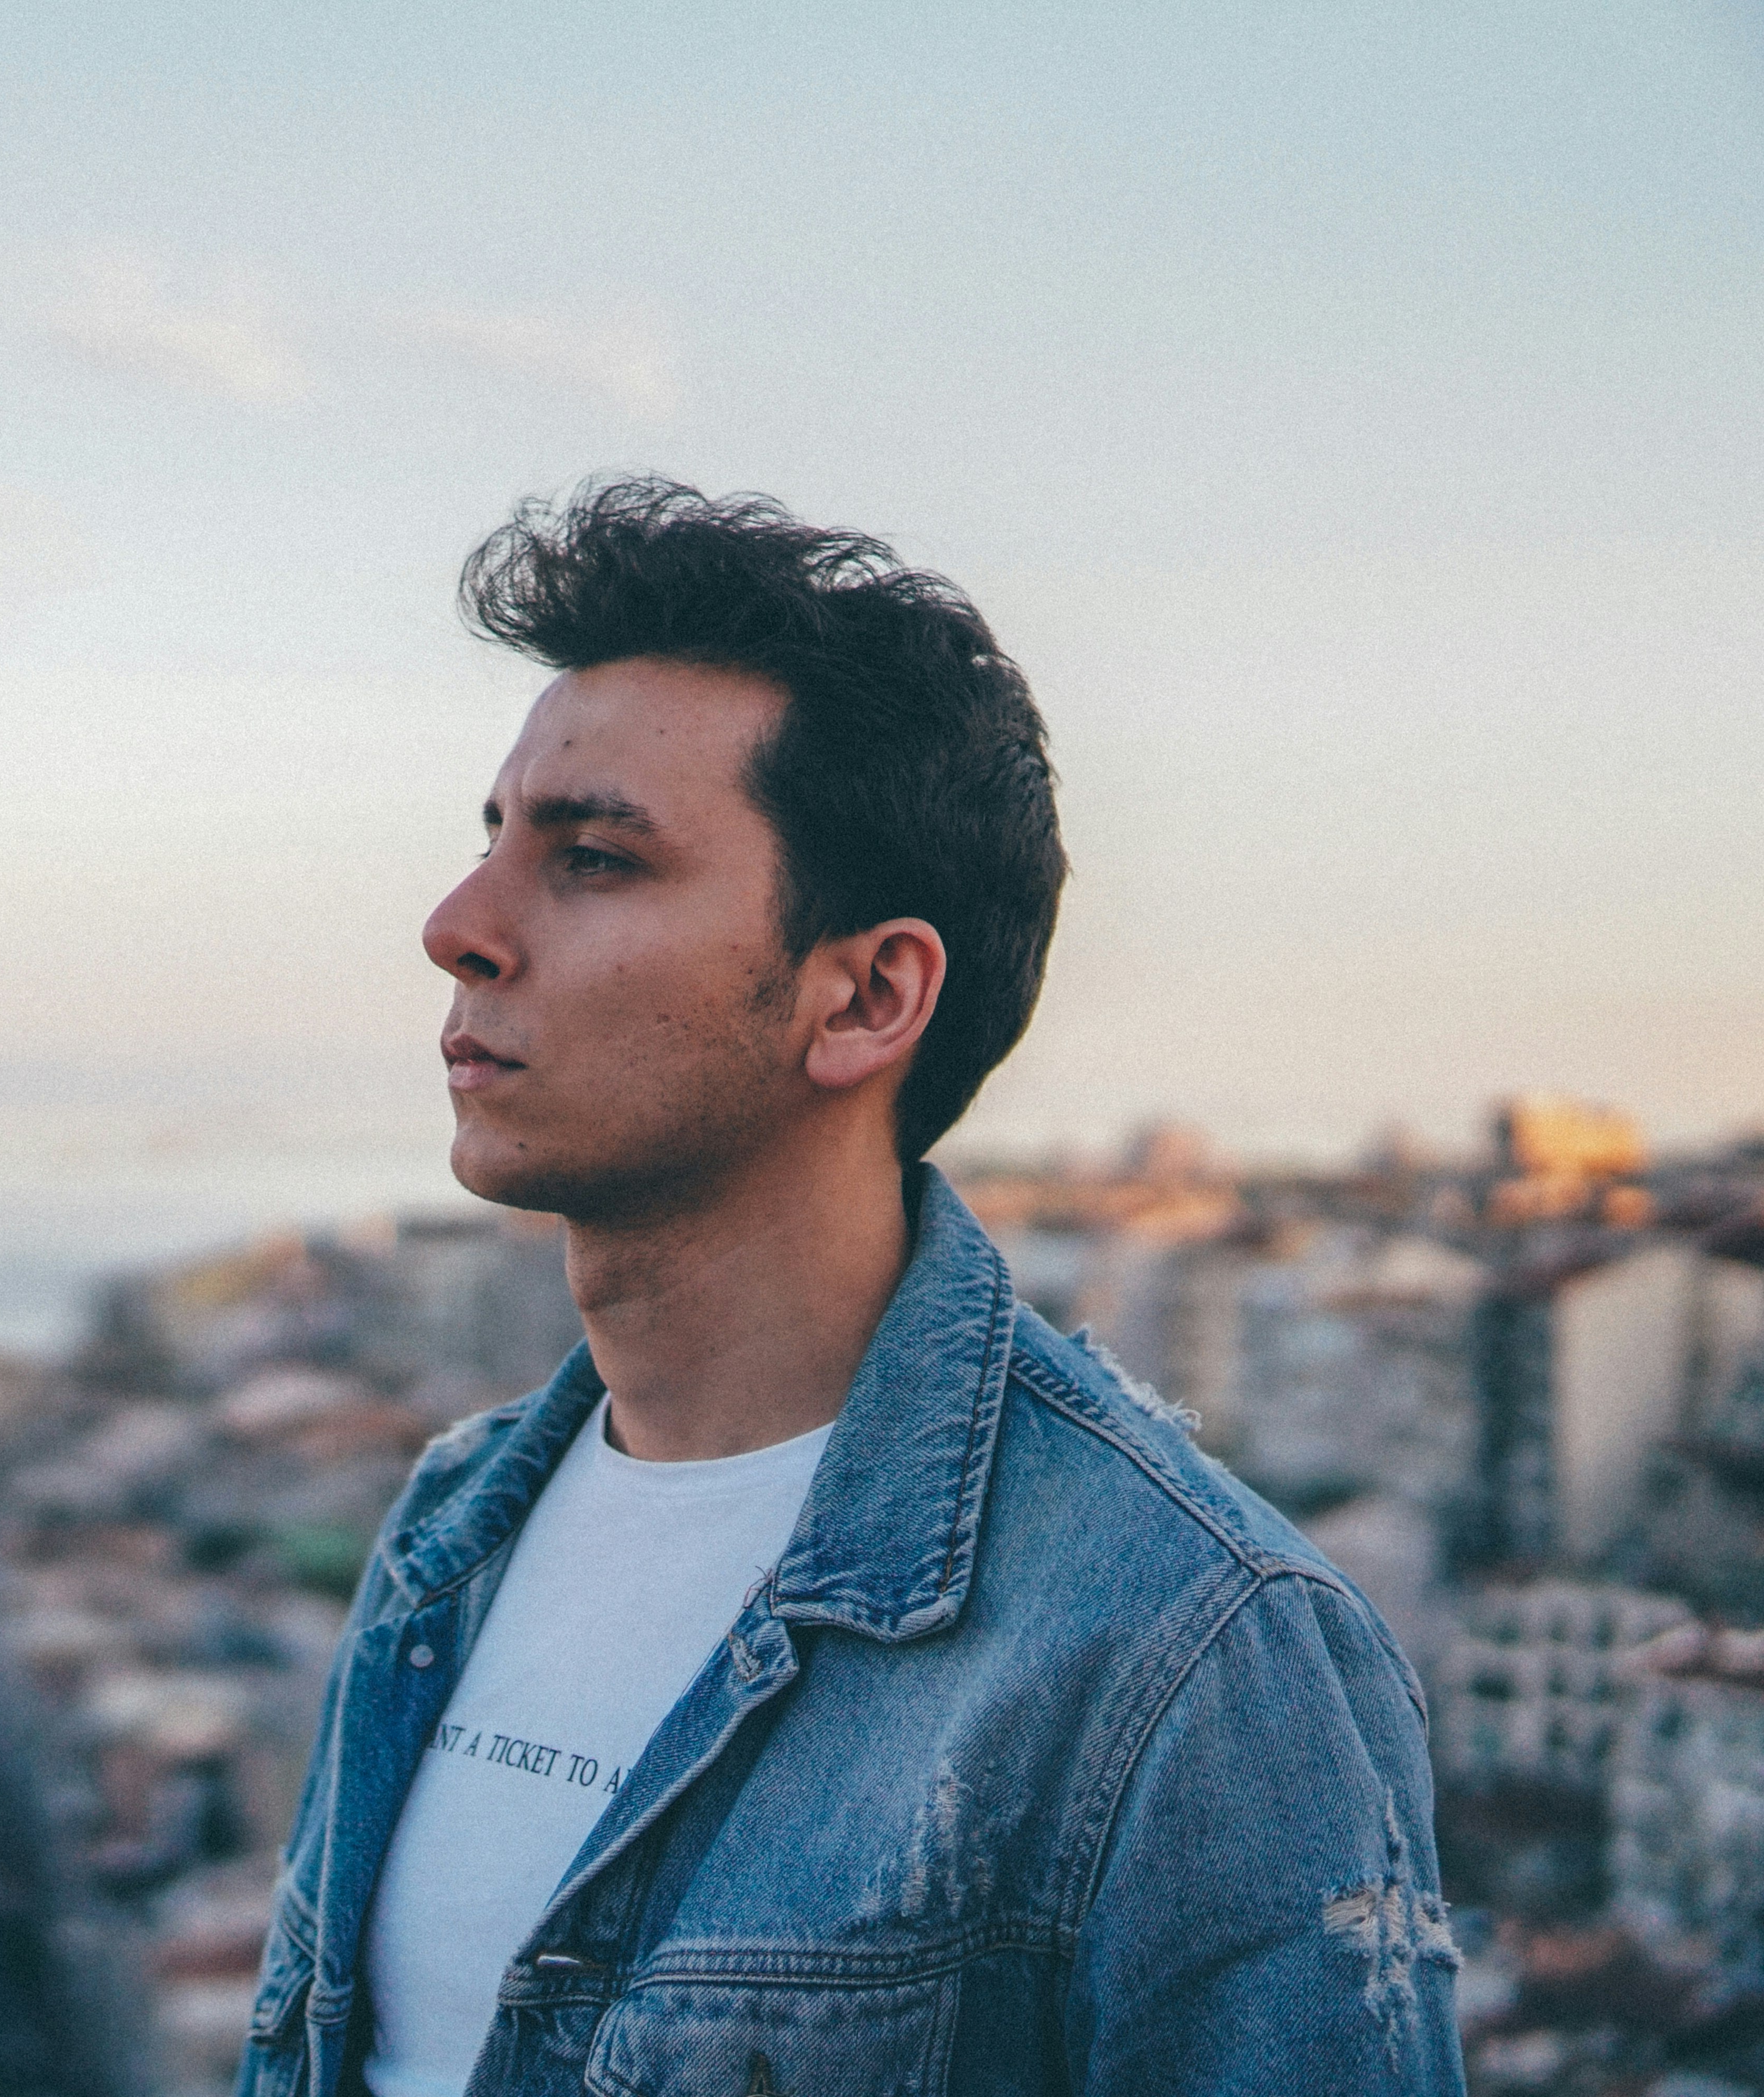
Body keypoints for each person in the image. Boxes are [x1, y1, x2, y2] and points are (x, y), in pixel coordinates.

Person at [234, 480, 1461, 2096]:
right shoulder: (449, 1531)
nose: (459, 928)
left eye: (594, 859)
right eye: (494, 846)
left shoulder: (1193, 1652)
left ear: (868, 996)